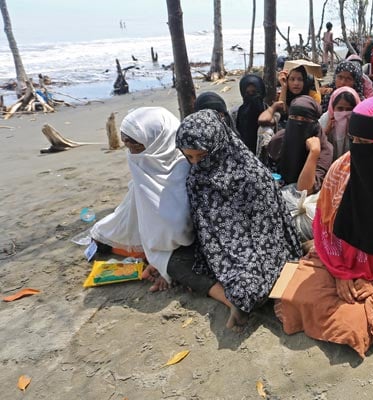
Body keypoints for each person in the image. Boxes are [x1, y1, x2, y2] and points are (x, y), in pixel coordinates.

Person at [275, 92, 373, 357]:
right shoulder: (342, 170)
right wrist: (340, 273)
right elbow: (325, 227)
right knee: (293, 300)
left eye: (366, 142)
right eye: (354, 141)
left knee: (352, 327)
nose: (358, 148)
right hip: (336, 262)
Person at [175, 109, 303, 329]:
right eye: (189, 157)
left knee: (249, 286)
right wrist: (220, 259)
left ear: (219, 145)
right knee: (176, 264)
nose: (196, 164)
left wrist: (242, 265)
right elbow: (206, 231)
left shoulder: (252, 175)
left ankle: (241, 301)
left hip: (260, 249)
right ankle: (234, 300)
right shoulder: (196, 179)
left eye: (202, 156)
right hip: (220, 252)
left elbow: (268, 234)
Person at [91, 107, 193, 292]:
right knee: (102, 239)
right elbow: (138, 207)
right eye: (125, 141)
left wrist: (160, 261)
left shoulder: (185, 167)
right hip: (156, 241)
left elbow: (180, 228)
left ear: (158, 140)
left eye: (134, 143)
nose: (128, 148)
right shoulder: (141, 160)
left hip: (185, 246)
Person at [262, 95, 332, 194]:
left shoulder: (324, 149)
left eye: (305, 120)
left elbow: (305, 190)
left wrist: (313, 154)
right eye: (294, 117)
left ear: (315, 123)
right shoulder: (280, 138)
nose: (299, 122)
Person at [258, 65, 318, 130]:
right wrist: (284, 87)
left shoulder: (311, 98)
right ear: (287, 80)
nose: (296, 83)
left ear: (304, 82)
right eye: (292, 79)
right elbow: (281, 112)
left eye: (300, 79)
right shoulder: (280, 95)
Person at [319, 86, 361, 161]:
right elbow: (315, 144)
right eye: (340, 109)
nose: (344, 113)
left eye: (349, 109)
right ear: (332, 107)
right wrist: (326, 131)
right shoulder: (325, 119)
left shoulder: (359, 122)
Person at [230, 74, 267, 154]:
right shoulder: (235, 113)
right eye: (247, 93)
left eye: (254, 92)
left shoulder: (268, 111)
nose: (251, 96)